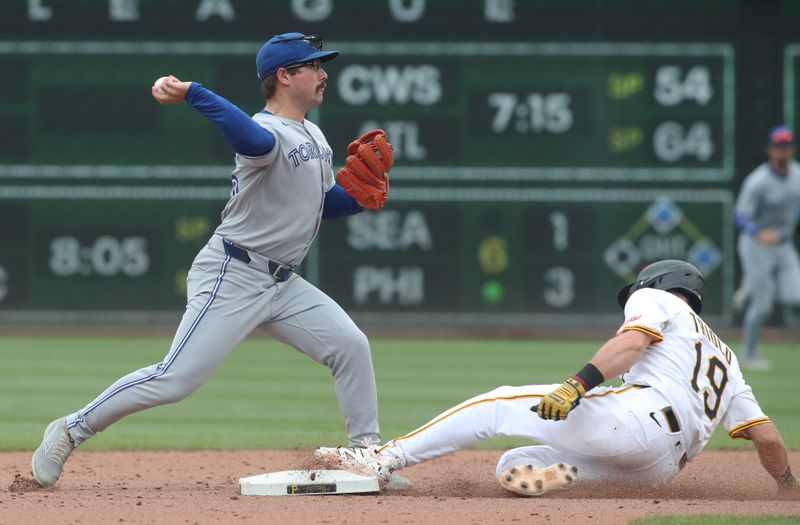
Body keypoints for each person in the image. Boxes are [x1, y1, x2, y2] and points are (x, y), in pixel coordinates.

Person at [31, 32, 393, 487]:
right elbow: (248, 135)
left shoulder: (313, 133)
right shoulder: (266, 135)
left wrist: (359, 199)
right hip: (233, 274)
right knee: (175, 379)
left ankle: (366, 456)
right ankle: (68, 430)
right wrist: (193, 93)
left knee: (351, 346)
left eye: (322, 66)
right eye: (313, 66)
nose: (324, 74)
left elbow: (323, 203)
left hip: (282, 283)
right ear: (284, 76)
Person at [316, 260, 799, 496]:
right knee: (515, 463)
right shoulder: (726, 357)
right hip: (660, 471)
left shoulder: (659, 301)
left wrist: (578, 384)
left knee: (500, 403)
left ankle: (380, 458)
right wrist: (787, 487)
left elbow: (631, 344)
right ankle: (563, 475)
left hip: (638, 420)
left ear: (658, 284)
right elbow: (767, 437)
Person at [735, 125, 800, 371]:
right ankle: (749, 353)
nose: (783, 151)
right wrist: (759, 232)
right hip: (756, 244)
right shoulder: (758, 181)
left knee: (795, 294)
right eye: (778, 147)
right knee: (763, 303)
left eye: (786, 146)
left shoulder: (797, 175)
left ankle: (751, 283)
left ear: (792, 148)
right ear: (770, 150)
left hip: (783, 245)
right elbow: (740, 215)